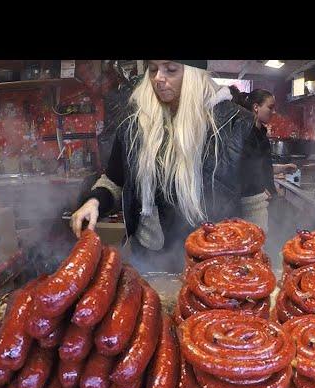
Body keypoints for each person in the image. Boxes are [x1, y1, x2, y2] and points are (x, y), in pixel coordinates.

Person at [70, 60, 258, 271]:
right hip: (149, 258)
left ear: (194, 74)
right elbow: (115, 180)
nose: (159, 77)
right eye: (153, 70)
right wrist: (95, 201)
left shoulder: (237, 125)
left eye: (171, 69)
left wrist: (254, 257)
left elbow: (254, 203)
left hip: (216, 261)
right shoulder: (136, 123)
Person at [229, 86, 296, 232]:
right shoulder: (246, 132)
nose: (273, 112)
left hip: (263, 199)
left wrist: (283, 168)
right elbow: (241, 168)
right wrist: (260, 188)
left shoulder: (260, 132)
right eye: (270, 107)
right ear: (256, 107)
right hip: (252, 201)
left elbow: (261, 166)